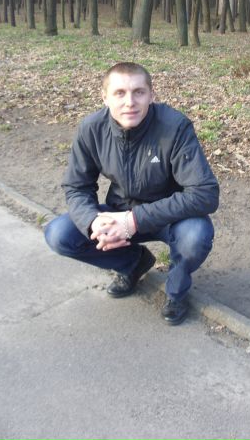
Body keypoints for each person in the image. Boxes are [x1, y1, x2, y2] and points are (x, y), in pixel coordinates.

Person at [44, 62, 219, 325]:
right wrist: (93, 221)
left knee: (196, 235)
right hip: (118, 211)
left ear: (151, 95)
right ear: (104, 97)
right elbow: (76, 186)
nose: (130, 102)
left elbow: (205, 193)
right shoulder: (91, 129)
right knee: (59, 234)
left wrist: (134, 220)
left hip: (169, 217)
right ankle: (133, 264)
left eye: (139, 92)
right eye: (120, 93)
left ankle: (176, 291)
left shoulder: (175, 127)